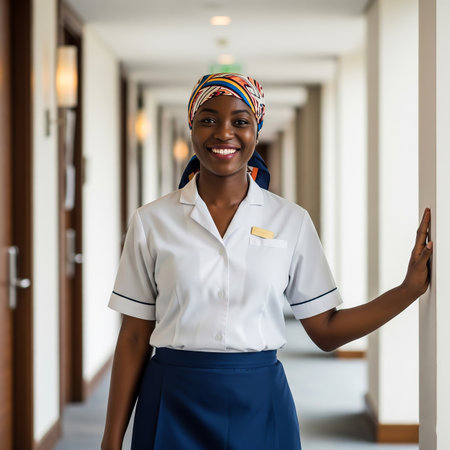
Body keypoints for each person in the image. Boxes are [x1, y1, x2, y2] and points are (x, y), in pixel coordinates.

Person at [101, 73, 432, 450]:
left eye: (240, 121)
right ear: (191, 126)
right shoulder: (152, 221)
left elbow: (325, 329)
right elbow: (132, 336)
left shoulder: (290, 221)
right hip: (172, 399)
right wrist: (111, 439)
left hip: (259, 401)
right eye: (208, 119)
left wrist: (407, 291)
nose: (223, 133)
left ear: (256, 131)